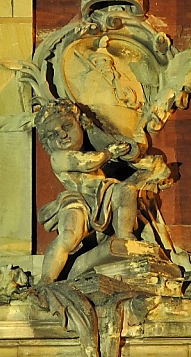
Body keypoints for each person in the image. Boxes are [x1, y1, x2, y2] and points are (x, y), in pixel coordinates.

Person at [35, 99, 139, 283]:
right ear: (48, 145)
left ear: (80, 125)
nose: (63, 135)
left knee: (126, 190)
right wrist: (109, 152)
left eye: (67, 126)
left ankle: (125, 237)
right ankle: (46, 280)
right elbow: (85, 163)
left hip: (101, 193)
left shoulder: (90, 145)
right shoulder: (58, 157)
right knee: (69, 236)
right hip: (77, 200)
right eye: (53, 135)